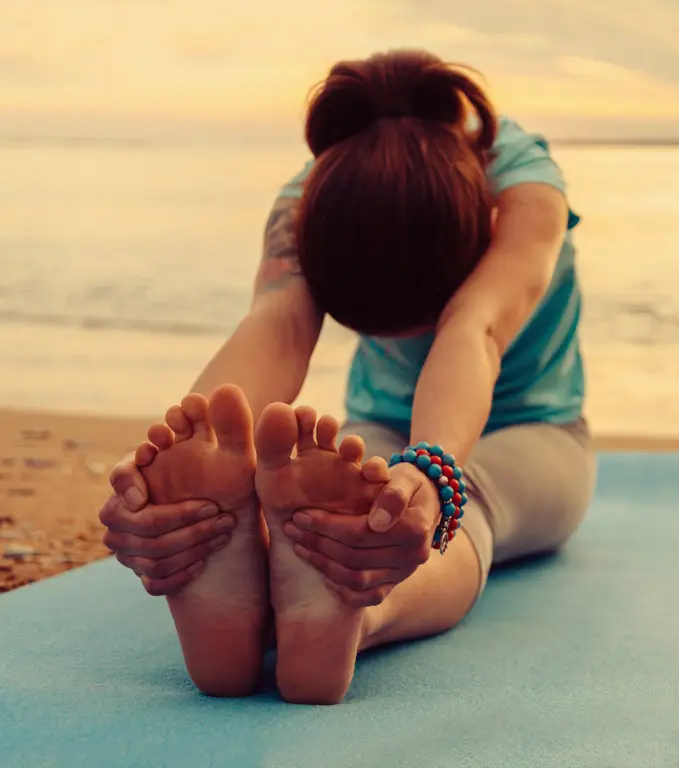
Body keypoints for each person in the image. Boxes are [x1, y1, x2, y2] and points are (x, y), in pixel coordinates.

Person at [97, 49, 595, 705]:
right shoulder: (315, 197)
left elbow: (471, 329)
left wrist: (430, 473)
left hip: (536, 431)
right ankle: (263, 580)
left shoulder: (526, 194)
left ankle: (352, 609)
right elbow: (280, 325)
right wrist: (191, 462)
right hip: (380, 427)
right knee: (347, 519)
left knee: (450, 501)